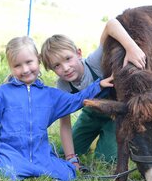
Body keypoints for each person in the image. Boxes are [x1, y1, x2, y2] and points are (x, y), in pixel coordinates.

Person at [0, 36, 113, 181]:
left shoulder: (50, 95)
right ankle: (2, 163)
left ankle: (39, 168)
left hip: (41, 155)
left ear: (38, 60)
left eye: (29, 62)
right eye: (17, 65)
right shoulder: (2, 93)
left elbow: (76, 100)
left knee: (68, 176)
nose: (25, 69)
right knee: (5, 172)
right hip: (12, 153)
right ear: (10, 67)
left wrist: (99, 85)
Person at [40, 18, 146, 167]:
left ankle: (124, 139)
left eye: (68, 58)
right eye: (57, 65)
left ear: (78, 53)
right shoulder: (63, 85)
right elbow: (64, 123)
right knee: (65, 151)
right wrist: (71, 157)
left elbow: (111, 24)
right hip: (90, 115)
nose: (65, 68)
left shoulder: (95, 62)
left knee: (106, 159)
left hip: (114, 116)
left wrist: (131, 48)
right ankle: (87, 139)